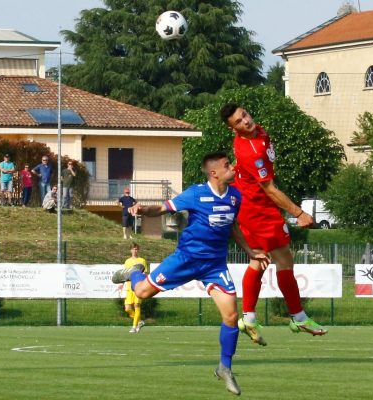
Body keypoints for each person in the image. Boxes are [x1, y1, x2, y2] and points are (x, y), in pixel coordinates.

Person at [112, 152, 269, 396]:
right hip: (185, 260)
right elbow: (163, 208)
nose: (233, 168)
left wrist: (250, 251)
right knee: (142, 292)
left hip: (215, 266)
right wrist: (143, 209)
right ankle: (134, 271)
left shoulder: (235, 196)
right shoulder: (196, 194)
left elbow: (233, 227)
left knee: (231, 315)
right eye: (228, 166)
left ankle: (224, 368)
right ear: (214, 172)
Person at [220, 103, 327, 345]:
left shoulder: (259, 132)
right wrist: (298, 212)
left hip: (251, 205)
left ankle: (248, 318)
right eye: (238, 122)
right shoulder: (251, 150)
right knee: (282, 259)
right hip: (259, 209)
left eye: (244, 115)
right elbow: (269, 188)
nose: (245, 121)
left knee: (259, 260)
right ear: (233, 129)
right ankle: (298, 317)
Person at [121, 242, 149, 333]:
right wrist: (122, 284)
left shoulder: (142, 260)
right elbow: (126, 274)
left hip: (139, 286)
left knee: (137, 305)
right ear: (130, 250)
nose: (135, 251)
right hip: (129, 286)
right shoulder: (127, 261)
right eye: (133, 249)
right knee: (128, 308)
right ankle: (139, 321)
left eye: (136, 249)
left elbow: (145, 273)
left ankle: (134, 327)